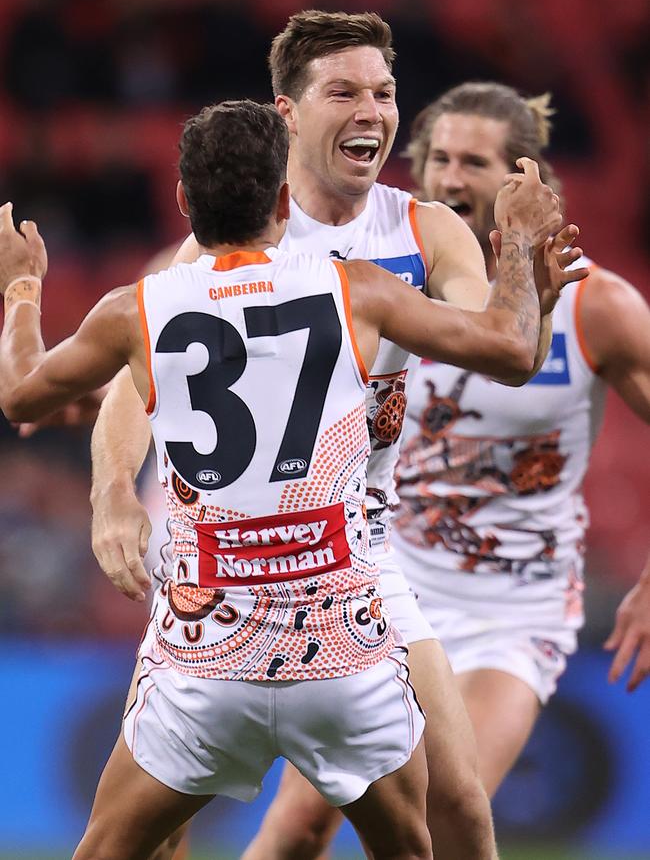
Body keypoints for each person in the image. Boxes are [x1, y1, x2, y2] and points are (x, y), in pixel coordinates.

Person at [0, 98, 562, 860]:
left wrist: (22, 290)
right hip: (341, 646)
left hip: (207, 650)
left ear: (180, 201)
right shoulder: (355, 290)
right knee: (414, 847)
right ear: (285, 201)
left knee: (106, 850)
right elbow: (512, 348)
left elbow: (22, 390)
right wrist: (523, 237)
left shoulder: (135, 308)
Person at [387, 81, 650, 799]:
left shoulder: (599, 306)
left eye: (474, 162)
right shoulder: (386, 288)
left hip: (512, 608)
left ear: (523, 182)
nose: (449, 177)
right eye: (438, 157)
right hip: (386, 589)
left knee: (449, 799)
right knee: (297, 826)